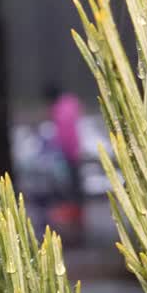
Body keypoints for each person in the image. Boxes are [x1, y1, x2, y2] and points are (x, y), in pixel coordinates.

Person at [43, 82, 86, 244]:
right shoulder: (71, 104)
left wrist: (64, 152)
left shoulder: (60, 109)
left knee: (71, 189)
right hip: (75, 152)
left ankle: (75, 224)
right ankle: (78, 220)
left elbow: (65, 134)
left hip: (69, 154)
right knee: (75, 189)